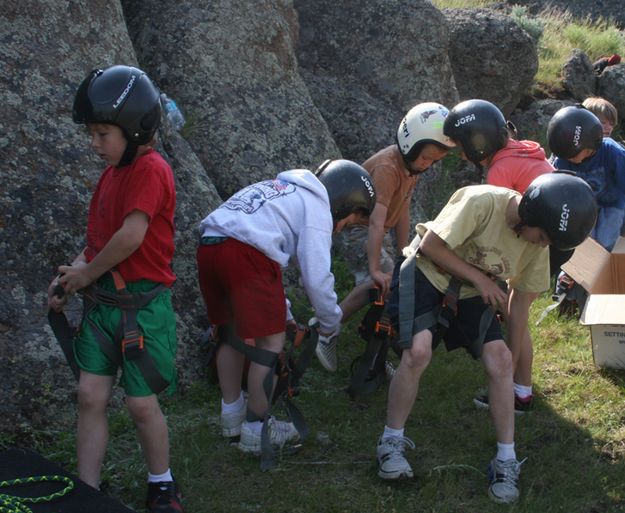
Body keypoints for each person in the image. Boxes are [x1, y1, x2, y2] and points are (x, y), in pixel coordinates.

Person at [375, 173, 597, 504]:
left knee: (500, 361)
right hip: (426, 273)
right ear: (531, 216)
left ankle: (505, 460)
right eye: (543, 236)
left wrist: (511, 354)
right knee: (418, 352)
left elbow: (519, 304)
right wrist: (480, 279)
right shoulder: (480, 202)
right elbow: (430, 246)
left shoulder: (538, 244)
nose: (543, 244)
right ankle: (390, 443)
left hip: (471, 290)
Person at [47, 65, 183, 513]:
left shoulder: (150, 170)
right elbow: (99, 243)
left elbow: (131, 236)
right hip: (103, 308)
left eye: (103, 133)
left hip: (142, 310)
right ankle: (87, 488)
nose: (94, 143)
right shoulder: (109, 177)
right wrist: (74, 276)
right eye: (92, 133)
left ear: (134, 128)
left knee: (142, 406)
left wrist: (86, 274)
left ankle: (161, 484)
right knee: (90, 396)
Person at [196, 159, 376, 455]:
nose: (341, 229)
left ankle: (231, 414)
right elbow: (316, 279)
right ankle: (256, 429)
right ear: (344, 203)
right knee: (270, 344)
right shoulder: (317, 209)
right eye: (349, 221)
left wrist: (286, 312)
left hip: (211, 244)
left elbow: (267, 261)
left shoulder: (283, 190)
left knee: (230, 335)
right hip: (246, 253)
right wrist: (331, 322)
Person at [315, 102, 455, 372]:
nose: (427, 165)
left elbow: (402, 210)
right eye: (426, 158)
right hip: (356, 228)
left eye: (434, 161)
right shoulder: (388, 168)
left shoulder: (411, 169)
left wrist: (404, 253)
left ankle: (376, 351)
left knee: (395, 281)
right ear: (409, 144)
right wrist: (375, 268)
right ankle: (325, 330)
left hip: (376, 230)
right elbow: (377, 221)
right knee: (379, 281)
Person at [443, 99, 555, 413]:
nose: (462, 154)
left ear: (479, 143)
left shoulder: (502, 168)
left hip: (537, 242)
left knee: (515, 315)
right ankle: (521, 388)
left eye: (464, 146)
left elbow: (497, 226)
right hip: (552, 236)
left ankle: (514, 389)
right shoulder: (521, 150)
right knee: (514, 314)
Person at [547, 105, 625, 314]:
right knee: (575, 244)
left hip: (612, 204)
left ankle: (594, 293)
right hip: (579, 207)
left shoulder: (611, 151)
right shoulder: (563, 155)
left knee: (605, 240)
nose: (572, 160)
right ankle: (566, 293)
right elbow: (551, 182)